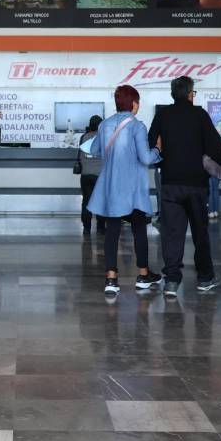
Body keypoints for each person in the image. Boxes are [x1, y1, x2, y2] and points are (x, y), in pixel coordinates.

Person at [148, 76, 221, 295]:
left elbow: (150, 143)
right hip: (196, 184)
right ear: (190, 93)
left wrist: (165, 155)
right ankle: (204, 278)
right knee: (200, 232)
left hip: (171, 182)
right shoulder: (200, 114)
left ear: (173, 94)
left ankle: (172, 281)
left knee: (171, 232)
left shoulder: (163, 115)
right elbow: (214, 146)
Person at [88, 84, 163, 296]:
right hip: (132, 189)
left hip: (112, 187)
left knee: (112, 232)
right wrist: (158, 149)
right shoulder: (137, 126)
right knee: (139, 229)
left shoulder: (105, 124)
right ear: (133, 103)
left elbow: (95, 150)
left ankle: (111, 279)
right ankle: (142, 275)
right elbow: (146, 158)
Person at [77, 115, 104, 235]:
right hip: (100, 175)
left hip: (86, 174)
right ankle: (100, 227)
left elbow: (79, 156)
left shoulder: (84, 137)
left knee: (86, 201)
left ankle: (86, 228)